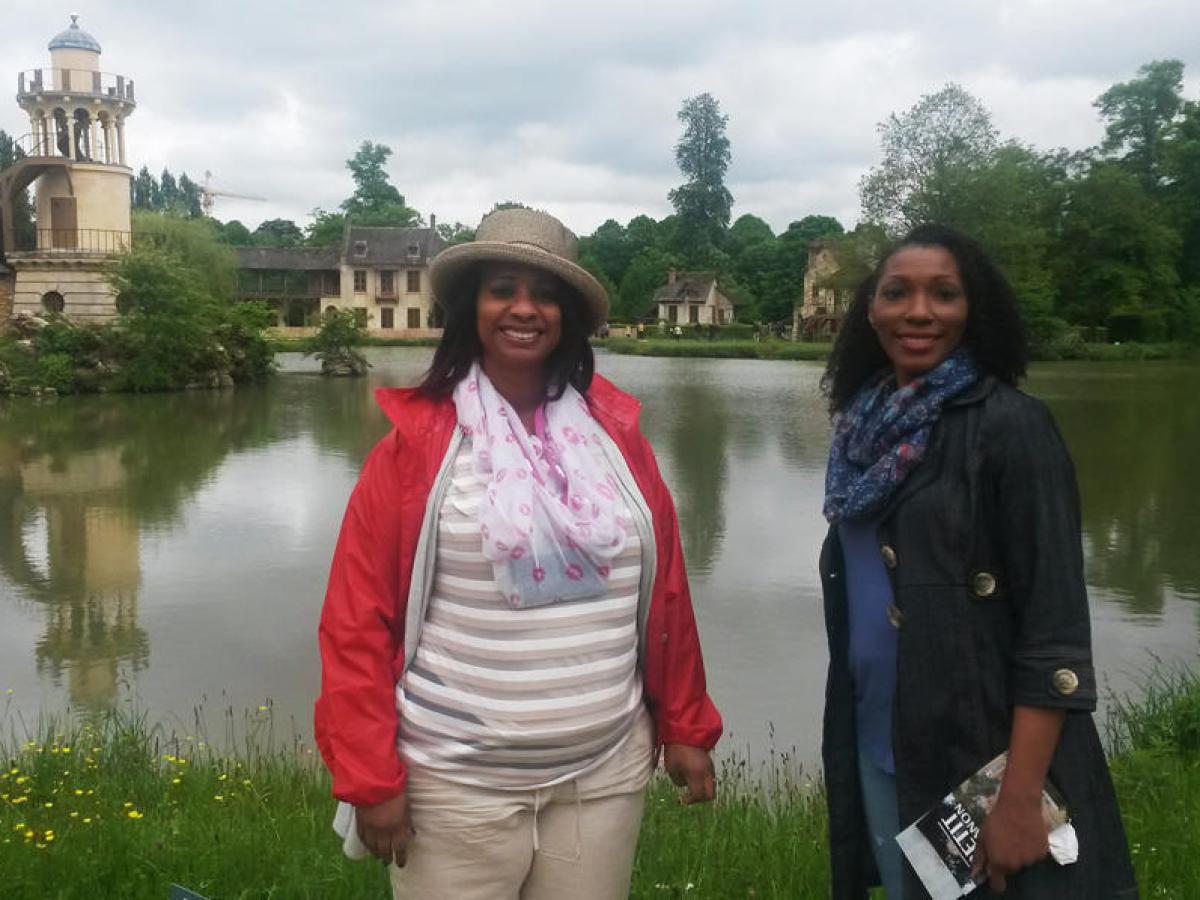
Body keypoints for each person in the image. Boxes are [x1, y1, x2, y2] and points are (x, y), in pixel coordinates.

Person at [314, 207, 722, 900]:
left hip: (603, 776)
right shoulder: (414, 450)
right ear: (472, 306)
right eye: (503, 287)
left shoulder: (619, 440)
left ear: (567, 315)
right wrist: (370, 778)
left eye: (545, 294)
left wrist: (685, 722)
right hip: (455, 785)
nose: (524, 309)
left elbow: (665, 594)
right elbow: (357, 621)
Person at [818, 224, 1137, 899]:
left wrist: (1019, 798)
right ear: (870, 311)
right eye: (897, 293)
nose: (919, 311)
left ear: (975, 310)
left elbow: (1053, 630)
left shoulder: (1012, 428)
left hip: (981, 761)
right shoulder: (858, 436)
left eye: (945, 294)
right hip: (882, 746)